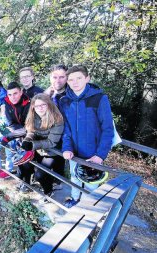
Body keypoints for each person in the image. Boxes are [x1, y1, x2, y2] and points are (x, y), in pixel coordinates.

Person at [59, 65, 114, 208]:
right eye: (71, 80)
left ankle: (87, 209)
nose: (75, 82)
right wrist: (67, 148)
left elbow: (107, 129)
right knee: (74, 177)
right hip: (74, 153)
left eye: (79, 78)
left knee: (91, 185)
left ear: (87, 78)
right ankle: (75, 200)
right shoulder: (65, 101)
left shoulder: (99, 98)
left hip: (93, 155)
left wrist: (100, 155)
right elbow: (67, 129)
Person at [19, 93, 64, 201]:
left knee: (41, 174)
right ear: (33, 106)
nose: (40, 108)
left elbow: (52, 142)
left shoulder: (57, 119)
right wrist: (27, 139)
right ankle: (27, 184)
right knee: (24, 164)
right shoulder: (33, 115)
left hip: (53, 151)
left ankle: (48, 191)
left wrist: (33, 145)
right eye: (37, 105)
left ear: (48, 104)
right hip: (38, 148)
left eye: (43, 105)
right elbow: (31, 130)